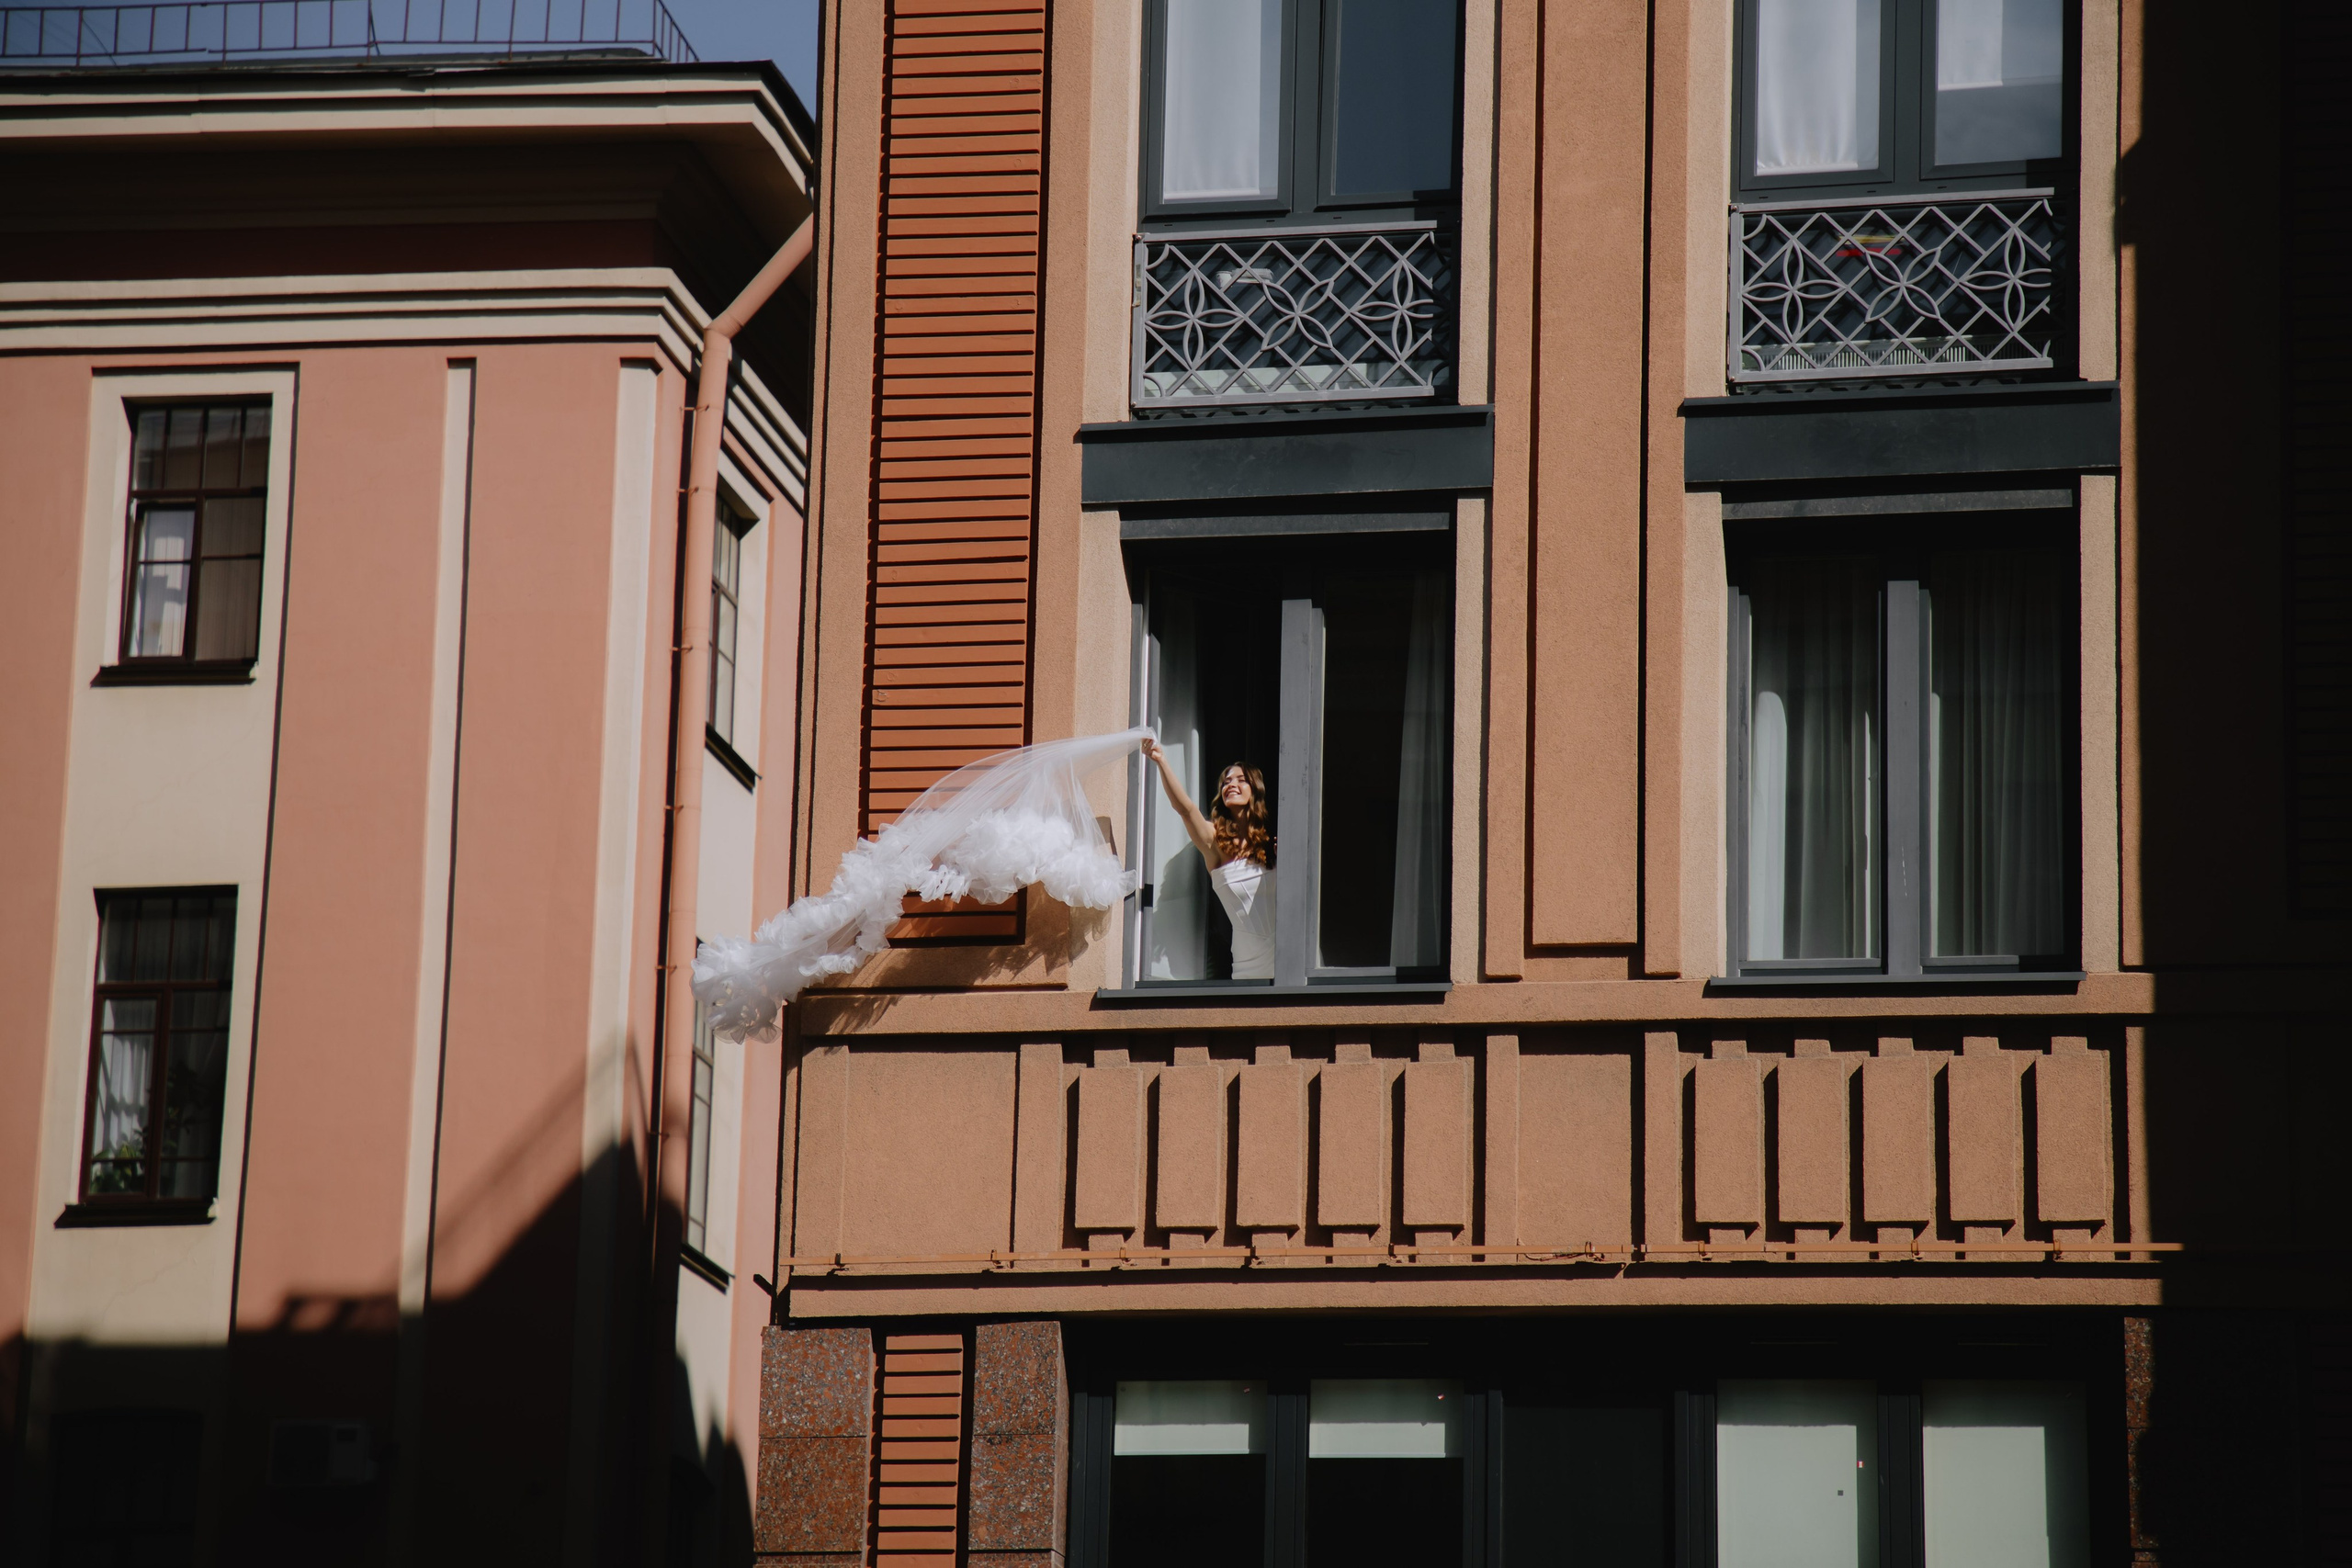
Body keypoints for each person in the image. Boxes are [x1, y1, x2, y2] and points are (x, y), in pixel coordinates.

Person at [1142, 737, 1276, 980]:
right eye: (1226, 782)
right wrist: (1161, 759)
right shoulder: (1215, 841)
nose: (1230, 785)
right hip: (1251, 967)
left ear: (1255, 789)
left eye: (1241, 780)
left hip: (1293, 960)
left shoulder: (1273, 843)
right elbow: (1185, 809)